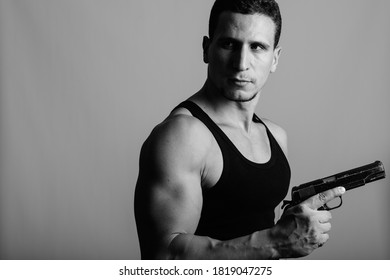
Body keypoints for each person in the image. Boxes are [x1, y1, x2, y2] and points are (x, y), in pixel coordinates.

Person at [134, 0, 345, 259]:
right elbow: (164, 256)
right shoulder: (184, 135)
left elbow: (250, 227)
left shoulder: (275, 135)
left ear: (275, 58)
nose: (241, 63)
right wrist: (276, 242)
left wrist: (291, 228)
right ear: (206, 49)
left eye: (257, 47)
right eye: (229, 44)